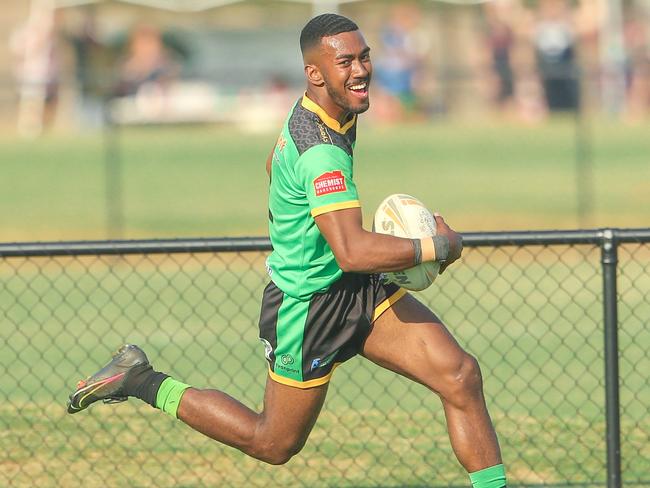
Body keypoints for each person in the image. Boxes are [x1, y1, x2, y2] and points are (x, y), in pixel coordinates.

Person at [66, 14, 506, 488]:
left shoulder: (331, 114)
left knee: (459, 376)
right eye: (345, 62)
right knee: (272, 443)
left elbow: (347, 258)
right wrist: (438, 246)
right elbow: (354, 251)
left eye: (364, 57)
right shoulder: (320, 150)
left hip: (352, 289)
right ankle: (139, 380)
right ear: (315, 73)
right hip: (307, 306)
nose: (360, 69)